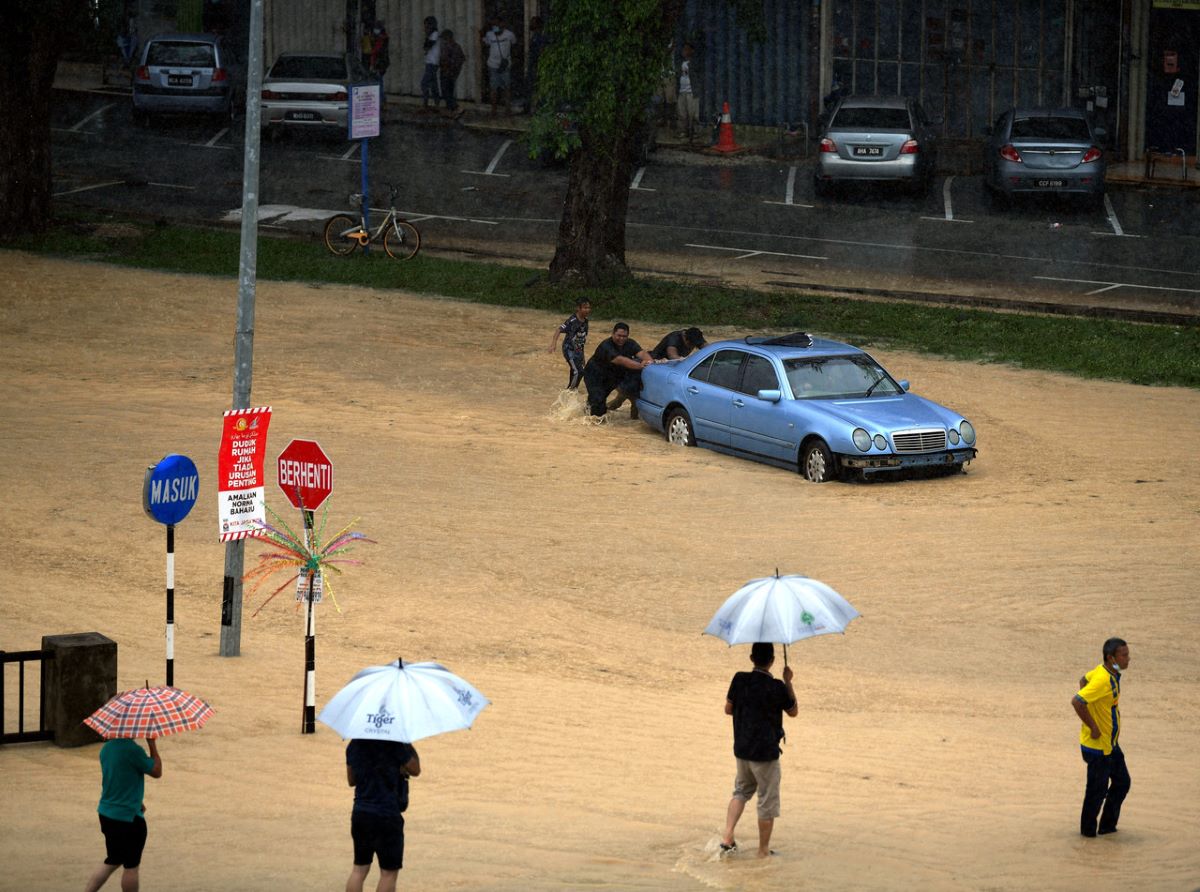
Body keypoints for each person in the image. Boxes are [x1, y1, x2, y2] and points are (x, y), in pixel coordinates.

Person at [719, 642, 797, 858]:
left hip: (742, 749)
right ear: (772, 661)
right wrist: (788, 682)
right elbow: (793, 711)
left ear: (752, 658)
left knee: (741, 792)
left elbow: (728, 709)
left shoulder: (739, 679)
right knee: (766, 801)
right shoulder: (777, 687)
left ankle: (727, 836)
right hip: (765, 755)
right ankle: (763, 851)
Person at [84, 737, 163, 892]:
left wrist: (134, 798)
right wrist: (152, 744)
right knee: (131, 866)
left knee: (113, 859)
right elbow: (156, 771)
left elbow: (115, 778)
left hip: (106, 813)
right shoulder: (133, 750)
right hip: (128, 818)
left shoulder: (106, 749)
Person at [1072, 637, 1131, 838]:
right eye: (1124, 655)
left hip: (1110, 745)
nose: (1128, 659)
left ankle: (1107, 828)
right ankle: (1087, 837)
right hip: (1097, 748)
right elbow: (1078, 701)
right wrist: (1093, 726)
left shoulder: (1106, 672)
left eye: (1127, 654)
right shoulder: (1103, 680)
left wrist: (1094, 710)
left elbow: (1083, 679)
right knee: (1096, 794)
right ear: (1110, 658)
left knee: (1122, 783)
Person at [345, 737, 421, 892]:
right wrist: (408, 743)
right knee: (388, 873)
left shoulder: (355, 743)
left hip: (361, 812)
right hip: (387, 814)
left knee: (359, 869)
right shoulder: (396, 743)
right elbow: (415, 769)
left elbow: (351, 780)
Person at [583, 322, 652, 419]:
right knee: (598, 401)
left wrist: (650, 362)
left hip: (612, 376)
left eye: (625, 336)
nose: (622, 339)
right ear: (613, 334)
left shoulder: (630, 343)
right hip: (594, 375)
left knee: (599, 399)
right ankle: (593, 424)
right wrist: (640, 365)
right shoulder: (606, 346)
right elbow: (621, 360)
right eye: (619, 335)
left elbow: (642, 353)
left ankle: (587, 411)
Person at [547, 298, 591, 390]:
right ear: (578, 308)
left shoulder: (586, 322)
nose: (587, 310)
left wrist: (582, 356)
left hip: (578, 350)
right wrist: (553, 343)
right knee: (578, 372)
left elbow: (582, 340)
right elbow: (559, 329)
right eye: (585, 308)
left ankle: (571, 389)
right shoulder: (572, 320)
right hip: (569, 349)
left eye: (588, 308)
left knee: (576, 370)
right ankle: (570, 391)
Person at [482, 17, 516, 116]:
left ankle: (507, 109)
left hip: (505, 66)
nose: (495, 27)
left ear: (502, 24)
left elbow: (514, 46)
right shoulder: (489, 35)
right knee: (493, 88)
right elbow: (486, 45)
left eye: (497, 25)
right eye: (493, 26)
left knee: (507, 88)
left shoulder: (509, 34)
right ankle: (493, 110)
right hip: (492, 65)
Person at [437, 30, 466, 118]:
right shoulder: (454, 46)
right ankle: (451, 110)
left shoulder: (450, 47)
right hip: (450, 72)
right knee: (448, 91)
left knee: (446, 92)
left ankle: (455, 108)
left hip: (448, 72)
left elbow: (454, 60)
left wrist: (450, 67)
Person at [524, 16, 547, 114]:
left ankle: (539, 109)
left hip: (537, 67)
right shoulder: (535, 36)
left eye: (532, 22)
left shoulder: (540, 36)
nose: (530, 24)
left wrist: (538, 66)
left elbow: (541, 52)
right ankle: (529, 108)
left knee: (536, 88)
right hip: (533, 66)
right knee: (530, 88)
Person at [677, 42, 700, 141]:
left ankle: (694, 132)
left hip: (691, 91)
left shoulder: (694, 62)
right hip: (682, 91)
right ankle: (683, 131)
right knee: (682, 113)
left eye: (687, 49)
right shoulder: (680, 63)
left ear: (691, 51)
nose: (684, 51)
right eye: (683, 49)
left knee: (693, 113)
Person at [420, 16, 441, 109]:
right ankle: (436, 103)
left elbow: (427, 46)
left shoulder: (434, 34)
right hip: (431, 62)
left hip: (433, 62)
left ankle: (425, 103)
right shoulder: (432, 35)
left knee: (424, 83)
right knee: (433, 84)